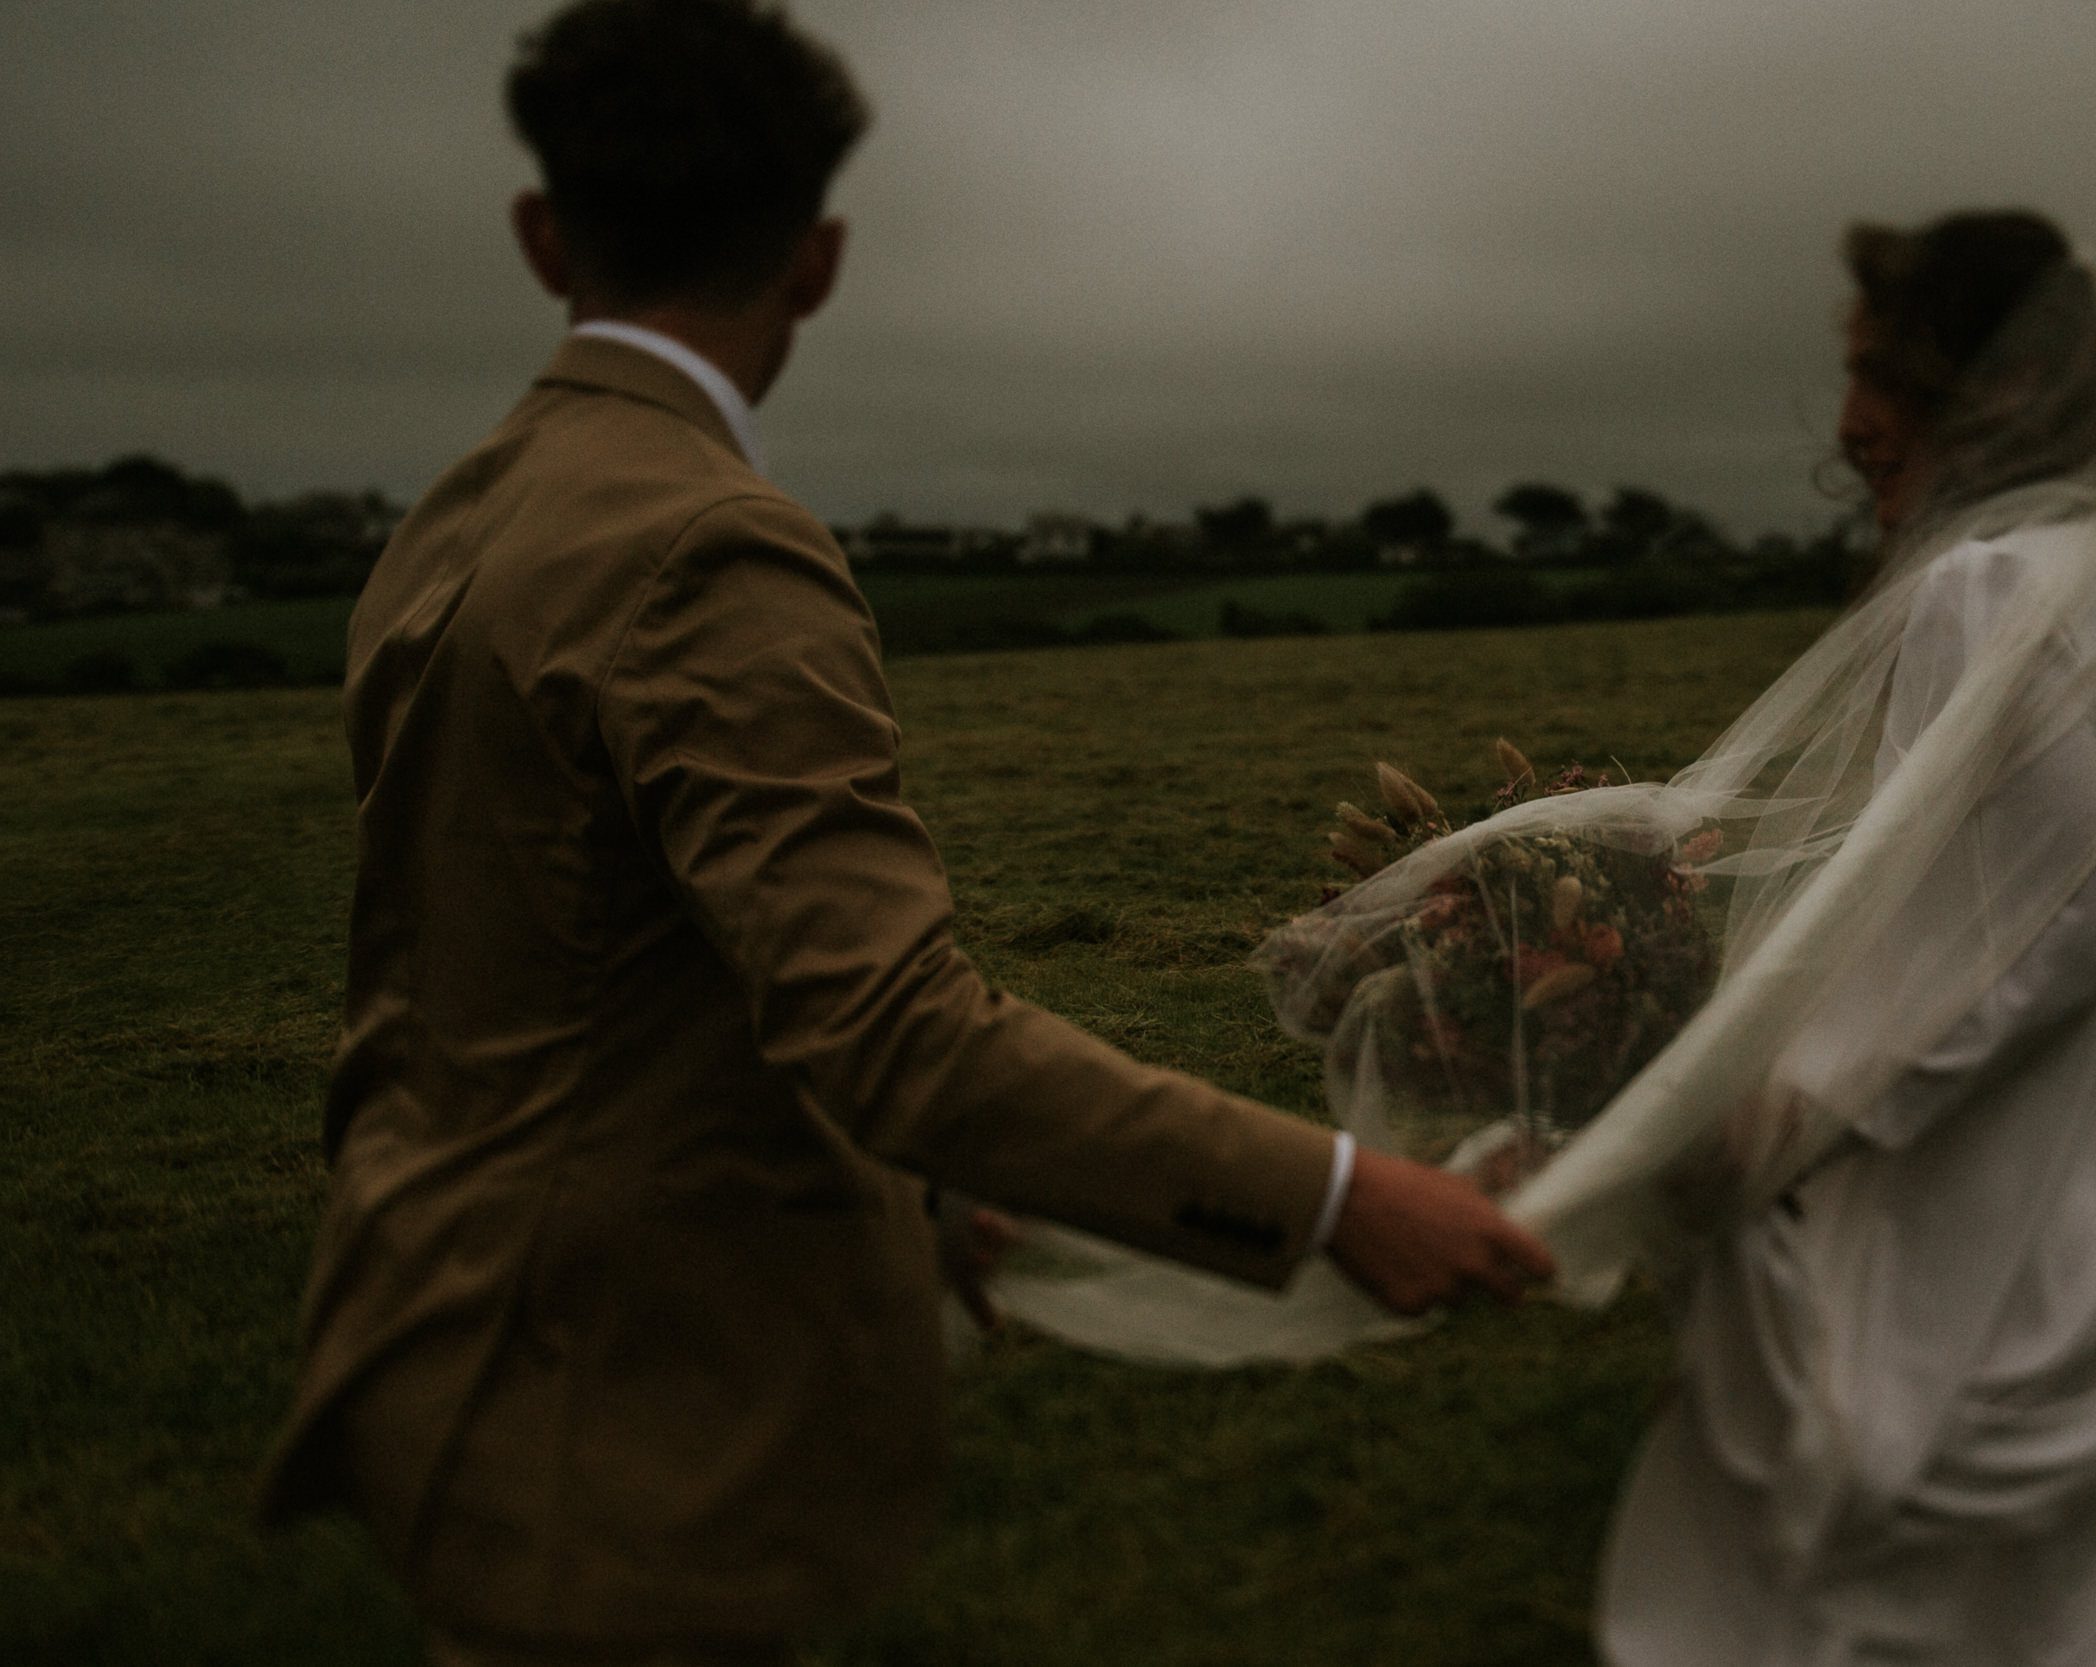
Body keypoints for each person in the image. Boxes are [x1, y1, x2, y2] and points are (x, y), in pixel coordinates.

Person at [254, 3, 1550, 1663]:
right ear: (821, 258)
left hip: (445, 1341)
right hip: (626, 1410)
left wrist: (917, 1203)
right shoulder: (708, 547)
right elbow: (893, 1032)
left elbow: (570, 966)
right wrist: (1340, 1195)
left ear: (539, 232)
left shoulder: (458, 511)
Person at [1593, 212, 2096, 1664]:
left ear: (1991, 391)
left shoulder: (1983, 591)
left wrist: (1788, 1106)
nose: (1850, 421)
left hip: (2014, 1139)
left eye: (1878, 377)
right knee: (2086, 1572)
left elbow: (2033, 948)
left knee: (1902, 1551)